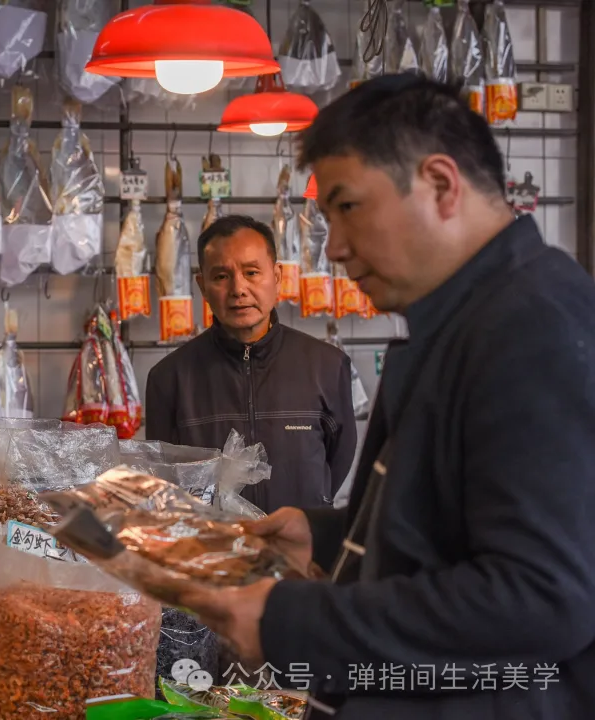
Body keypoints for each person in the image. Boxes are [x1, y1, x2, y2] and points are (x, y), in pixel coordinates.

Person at [182, 75, 595, 719]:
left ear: (439, 184)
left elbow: (540, 597)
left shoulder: (532, 325)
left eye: (347, 208)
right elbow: (455, 521)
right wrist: (326, 535)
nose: (336, 247)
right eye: (325, 218)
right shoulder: (473, 317)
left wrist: (292, 620)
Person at [145, 214, 357, 513]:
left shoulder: (327, 366)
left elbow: (338, 459)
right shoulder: (170, 378)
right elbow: (165, 477)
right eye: (221, 276)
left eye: (252, 272)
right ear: (202, 285)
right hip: (211, 551)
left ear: (278, 277)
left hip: (301, 548)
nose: (238, 289)